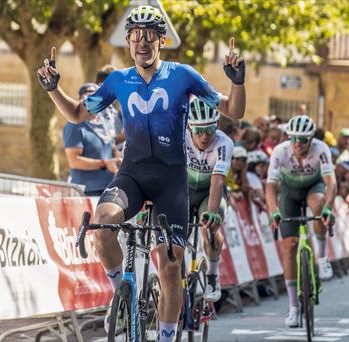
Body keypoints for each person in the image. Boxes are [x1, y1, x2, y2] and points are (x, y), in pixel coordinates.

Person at [37, 5, 246, 340]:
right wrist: (51, 89)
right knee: (102, 225)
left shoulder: (183, 75)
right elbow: (77, 114)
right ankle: (123, 298)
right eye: (136, 36)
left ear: (162, 40)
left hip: (171, 179)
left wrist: (237, 83)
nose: (142, 43)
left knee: (170, 265)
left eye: (150, 36)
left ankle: (164, 335)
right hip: (131, 173)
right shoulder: (119, 80)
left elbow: (234, 110)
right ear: (129, 42)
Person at [265, 115, 337, 328]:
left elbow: (330, 182)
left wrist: (328, 208)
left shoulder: (321, 148)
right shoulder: (280, 151)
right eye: (294, 138)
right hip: (290, 192)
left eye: (303, 139)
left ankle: (322, 258)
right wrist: (273, 210)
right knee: (289, 246)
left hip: (314, 188)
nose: (298, 143)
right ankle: (294, 307)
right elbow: (270, 186)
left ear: (311, 139)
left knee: (318, 203)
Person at [185, 97, 234, 302]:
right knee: (173, 234)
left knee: (210, 226)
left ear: (217, 125)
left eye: (210, 130)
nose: (205, 136)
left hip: (209, 193)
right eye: (199, 131)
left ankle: (213, 275)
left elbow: (217, 181)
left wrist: (212, 213)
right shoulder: (180, 137)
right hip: (184, 190)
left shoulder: (224, 143)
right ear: (189, 127)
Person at [63, 83, 120, 196]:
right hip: (86, 191)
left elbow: (111, 147)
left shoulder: (105, 121)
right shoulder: (74, 125)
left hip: (109, 187)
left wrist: (119, 159)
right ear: (80, 101)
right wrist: (104, 163)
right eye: (88, 99)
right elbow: (74, 161)